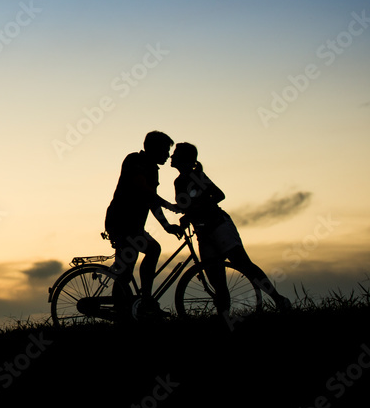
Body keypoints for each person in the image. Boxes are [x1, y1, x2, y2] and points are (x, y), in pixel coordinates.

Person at [169, 142, 292, 319]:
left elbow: (219, 195)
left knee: (244, 264)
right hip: (203, 233)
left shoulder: (197, 176)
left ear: (186, 160)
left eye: (176, 154)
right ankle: (225, 319)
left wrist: (196, 210)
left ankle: (278, 300)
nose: (172, 157)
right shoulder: (179, 182)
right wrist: (187, 215)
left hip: (219, 226)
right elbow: (188, 207)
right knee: (218, 282)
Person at [105, 131, 183, 316]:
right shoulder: (135, 161)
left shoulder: (153, 169)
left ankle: (139, 304)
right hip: (122, 222)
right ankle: (139, 305)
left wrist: (166, 226)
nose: (167, 155)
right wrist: (168, 206)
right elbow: (145, 191)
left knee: (133, 262)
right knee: (130, 264)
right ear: (154, 149)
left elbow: (151, 201)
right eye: (165, 150)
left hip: (134, 225)